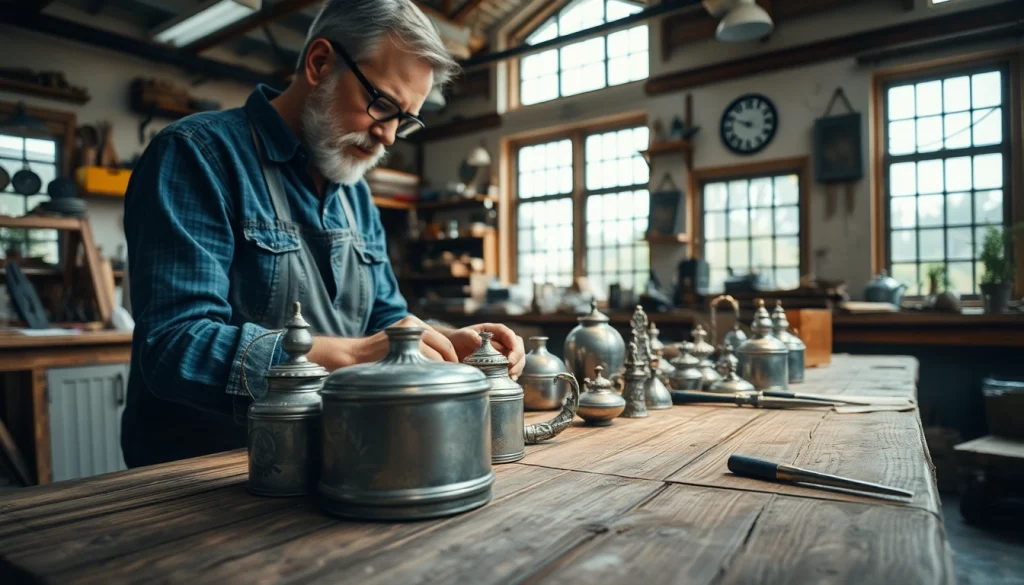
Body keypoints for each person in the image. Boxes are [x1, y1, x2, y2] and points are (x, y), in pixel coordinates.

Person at [121, 0, 524, 468]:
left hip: (329, 459)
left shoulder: (354, 192)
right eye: (382, 105)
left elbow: (385, 320)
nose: (389, 137)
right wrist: (351, 356)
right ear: (319, 63)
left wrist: (442, 341)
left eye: (404, 120)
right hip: (204, 472)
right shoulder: (197, 156)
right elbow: (176, 345)